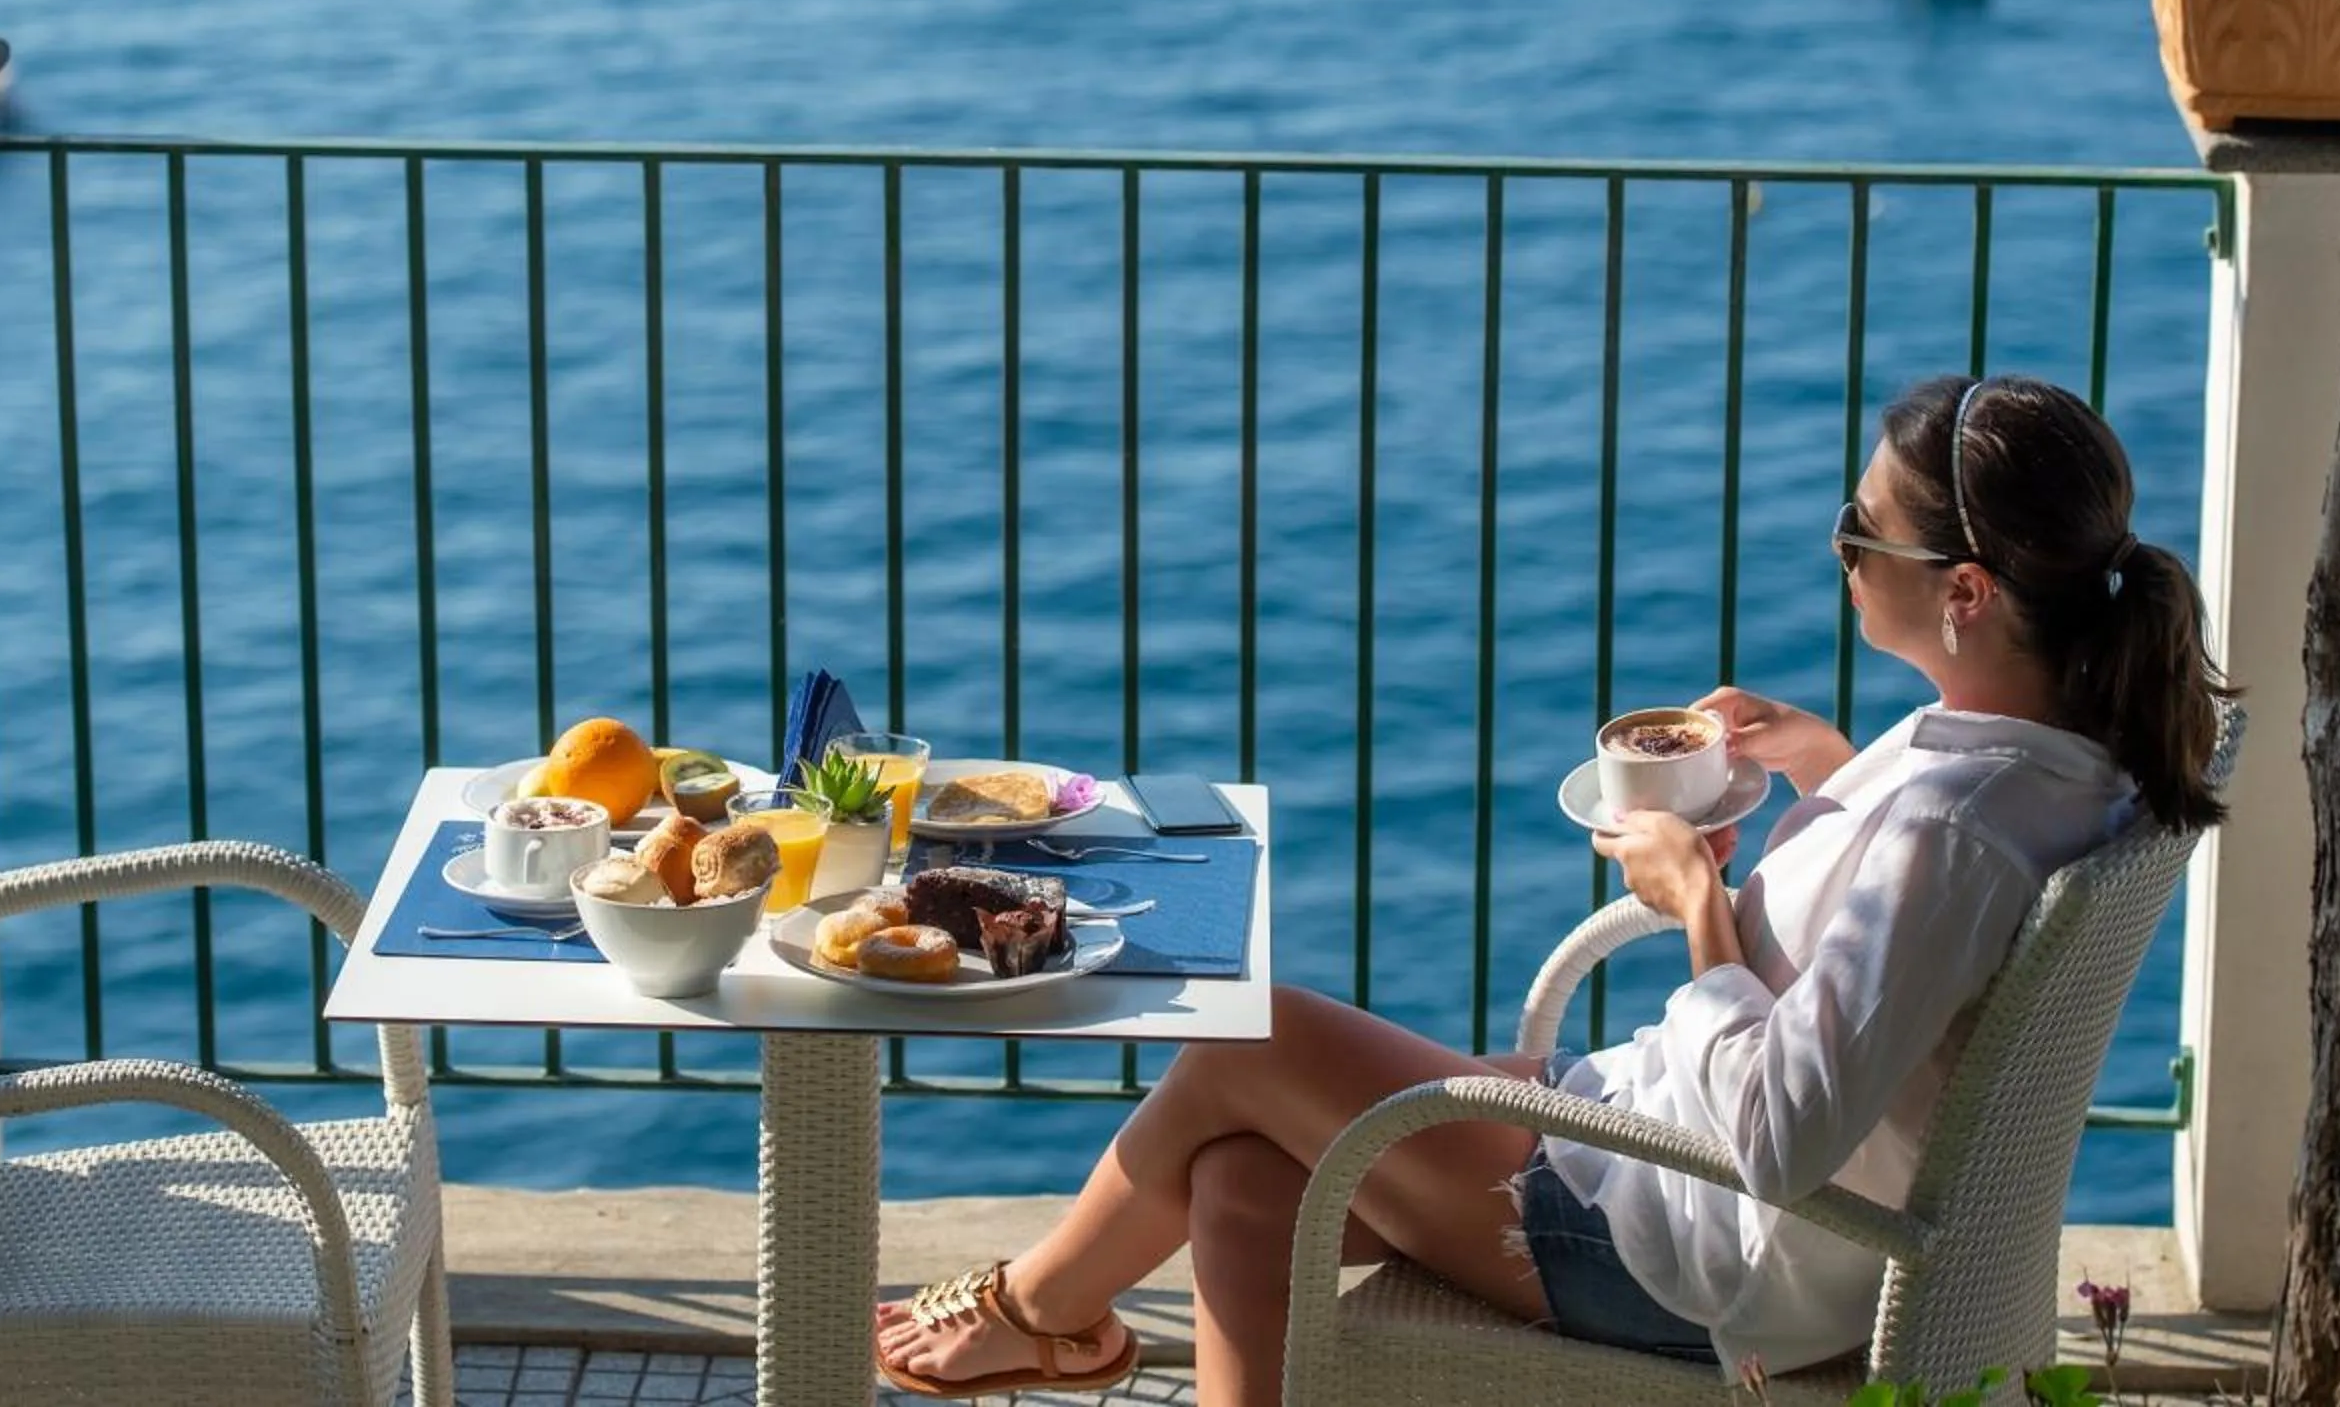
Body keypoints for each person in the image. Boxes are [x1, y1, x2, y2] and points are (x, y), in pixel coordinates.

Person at [871, 373, 2230, 1401]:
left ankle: (1039, 1315)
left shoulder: (1955, 822)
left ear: (1968, 592)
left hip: (1694, 1245)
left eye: (1858, 529)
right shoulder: (2047, 757)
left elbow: (1784, 1135)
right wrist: (1821, 769)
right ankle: (1050, 1320)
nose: (1842, 549)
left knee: (1252, 1041)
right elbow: (1891, 971)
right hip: (1665, 1154)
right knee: (1241, 1177)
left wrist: (1697, 906)